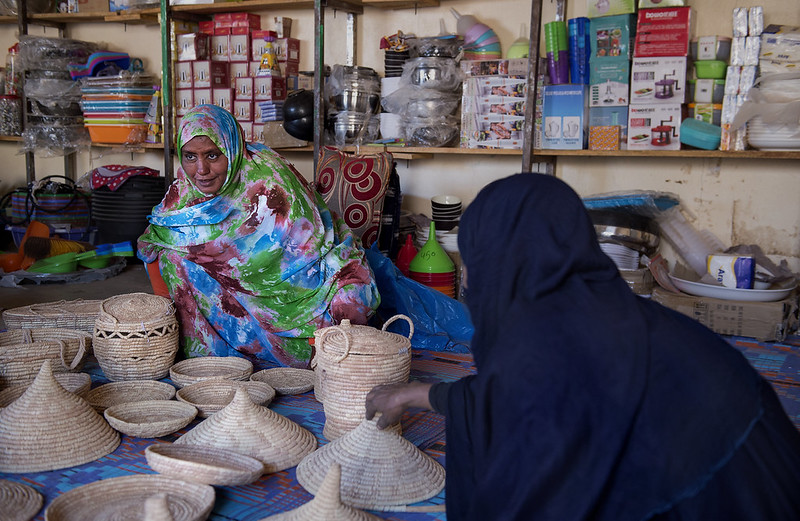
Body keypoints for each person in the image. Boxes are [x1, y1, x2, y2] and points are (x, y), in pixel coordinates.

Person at [366, 173, 800, 520]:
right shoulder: (602, 313)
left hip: (717, 497)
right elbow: (521, 395)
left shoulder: (551, 349)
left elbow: (529, 437)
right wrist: (412, 394)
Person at [138, 104, 379, 367]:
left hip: (299, 283)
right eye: (190, 157)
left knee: (352, 302)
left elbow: (309, 252)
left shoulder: (270, 180)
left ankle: (304, 353)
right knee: (172, 257)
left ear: (232, 149)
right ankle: (212, 357)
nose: (201, 170)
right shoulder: (185, 190)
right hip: (238, 295)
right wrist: (162, 318)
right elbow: (151, 242)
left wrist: (249, 272)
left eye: (212, 155)